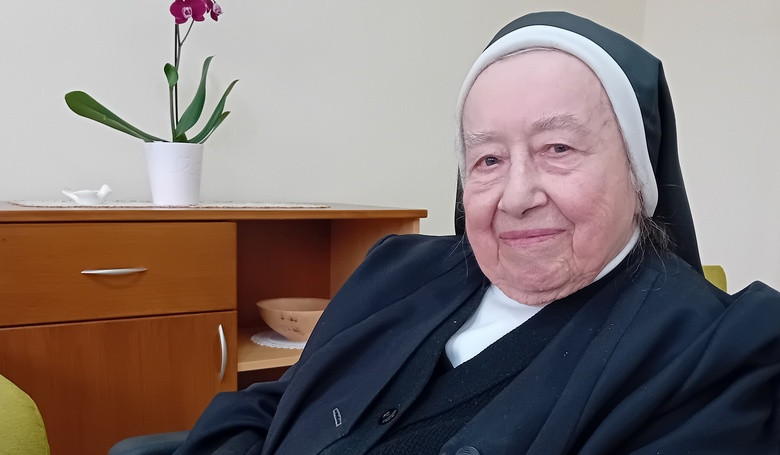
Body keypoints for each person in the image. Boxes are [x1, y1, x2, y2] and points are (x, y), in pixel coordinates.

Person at [175, 11, 780, 454]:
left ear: (637, 176)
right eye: (488, 159)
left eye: (558, 148)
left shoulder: (718, 355)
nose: (517, 197)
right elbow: (281, 403)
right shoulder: (397, 270)